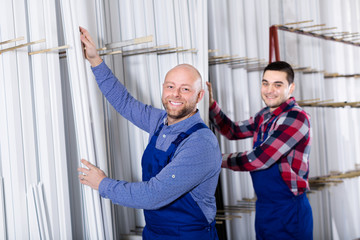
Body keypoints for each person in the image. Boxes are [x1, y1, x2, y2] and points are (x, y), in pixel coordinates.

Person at [77, 27, 221, 240]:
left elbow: (154, 194)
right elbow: (125, 103)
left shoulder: (201, 143)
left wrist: (103, 184)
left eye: (185, 89)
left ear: (199, 96)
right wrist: (95, 61)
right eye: (171, 86)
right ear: (163, 88)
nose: (176, 94)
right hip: (154, 233)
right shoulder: (160, 122)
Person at [207, 61, 313, 240]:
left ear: (291, 87)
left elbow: (260, 158)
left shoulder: (296, 118)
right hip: (265, 206)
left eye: (277, 84)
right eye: (265, 83)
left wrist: (215, 159)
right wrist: (210, 105)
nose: (269, 90)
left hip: (288, 209)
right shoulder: (264, 115)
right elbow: (233, 131)